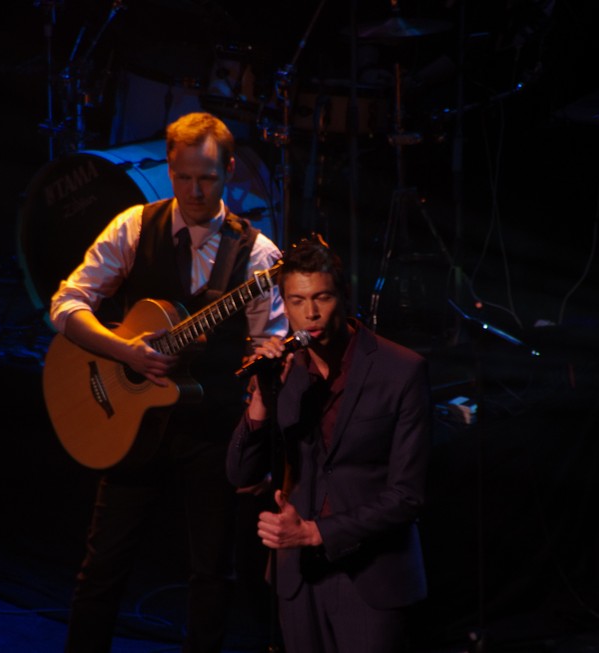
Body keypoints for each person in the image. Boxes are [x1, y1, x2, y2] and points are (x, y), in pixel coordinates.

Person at [49, 111, 287, 653]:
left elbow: (269, 354)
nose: (194, 191)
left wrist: (263, 424)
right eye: (183, 177)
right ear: (169, 169)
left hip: (211, 429)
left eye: (207, 177)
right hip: (130, 427)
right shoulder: (134, 226)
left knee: (212, 574)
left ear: (230, 170)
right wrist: (122, 350)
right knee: (102, 567)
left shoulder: (259, 256)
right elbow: (67, 303)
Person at [225, 236, 432, 653]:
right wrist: (262, 396)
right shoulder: (283, 371)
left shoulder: (401, 370)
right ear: (285, 305)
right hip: (298, 577)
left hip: (373, 576)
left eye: (322, 297)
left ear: (344, 296)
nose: (311, 313)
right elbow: (241, 474)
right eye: (298, 301)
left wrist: (316, 532)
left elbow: (408, 495)